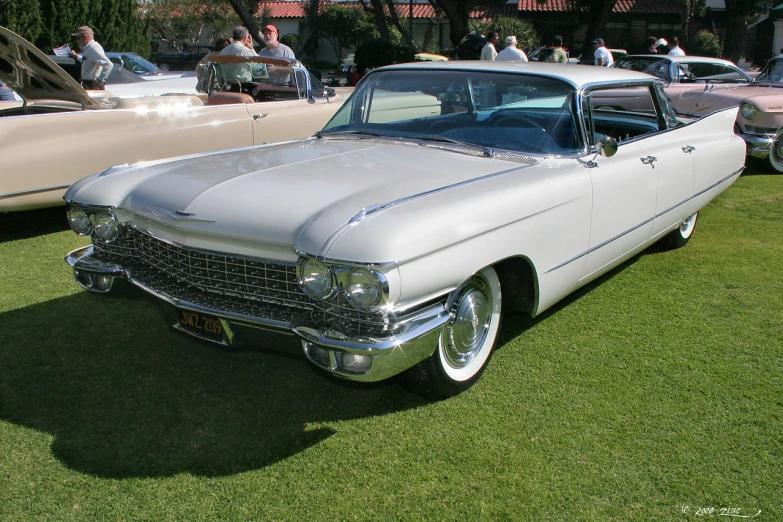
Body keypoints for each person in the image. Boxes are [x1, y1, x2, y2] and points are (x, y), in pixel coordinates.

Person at [68, 26, 113, 90]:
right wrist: (76, 56)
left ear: (85, 37)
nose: (77, 41)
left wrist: (99, 81)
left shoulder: (93, 48)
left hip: (93, 84)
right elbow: (88, 61)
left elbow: (109, 65)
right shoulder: (89, 48)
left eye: (78, 38)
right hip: (88, 83)